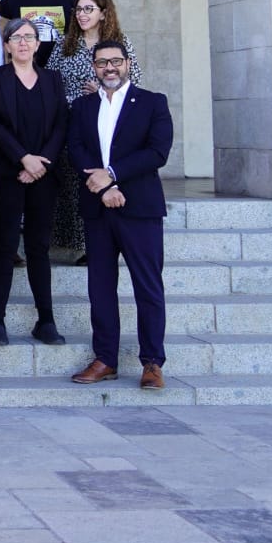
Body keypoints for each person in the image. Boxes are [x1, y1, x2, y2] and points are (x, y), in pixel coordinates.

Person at [67, 40, 174, 392]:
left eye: (115, 61)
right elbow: (77, 148)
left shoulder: (152, 102)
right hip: (98, 209)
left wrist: (112, 174)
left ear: (128, 63)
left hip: (140, 208)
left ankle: (152, 362)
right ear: (93, 67)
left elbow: (157, 152)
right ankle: (106, 359)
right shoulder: (82, 106)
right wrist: (102, 188)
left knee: (147, 286)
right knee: (100, 287)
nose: (109, 68)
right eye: (101, 63)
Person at [0, 18, 69, 347]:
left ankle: (45, 320)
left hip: (44, 175)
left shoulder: (52, 79)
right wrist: (22, 159)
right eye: (16, 38)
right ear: (6, 45)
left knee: (38, 248)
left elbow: (61, 124)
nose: (23, 43)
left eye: (29, 37)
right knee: (3, 248)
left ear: (37, 43)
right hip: (8, 174)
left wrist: (40, 162)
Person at [47, 0, 143, 264]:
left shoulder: (120, 44)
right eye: (78, 9)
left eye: (89, 9)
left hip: (109, 126)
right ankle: (81, 243)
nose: (82, 14)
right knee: (76, 181)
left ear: (103, 13)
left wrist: (102, 89)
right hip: (72, 121)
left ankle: (107, 242)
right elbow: (52, 82)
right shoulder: (65, 43)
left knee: (104, 178)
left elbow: (134, 81)